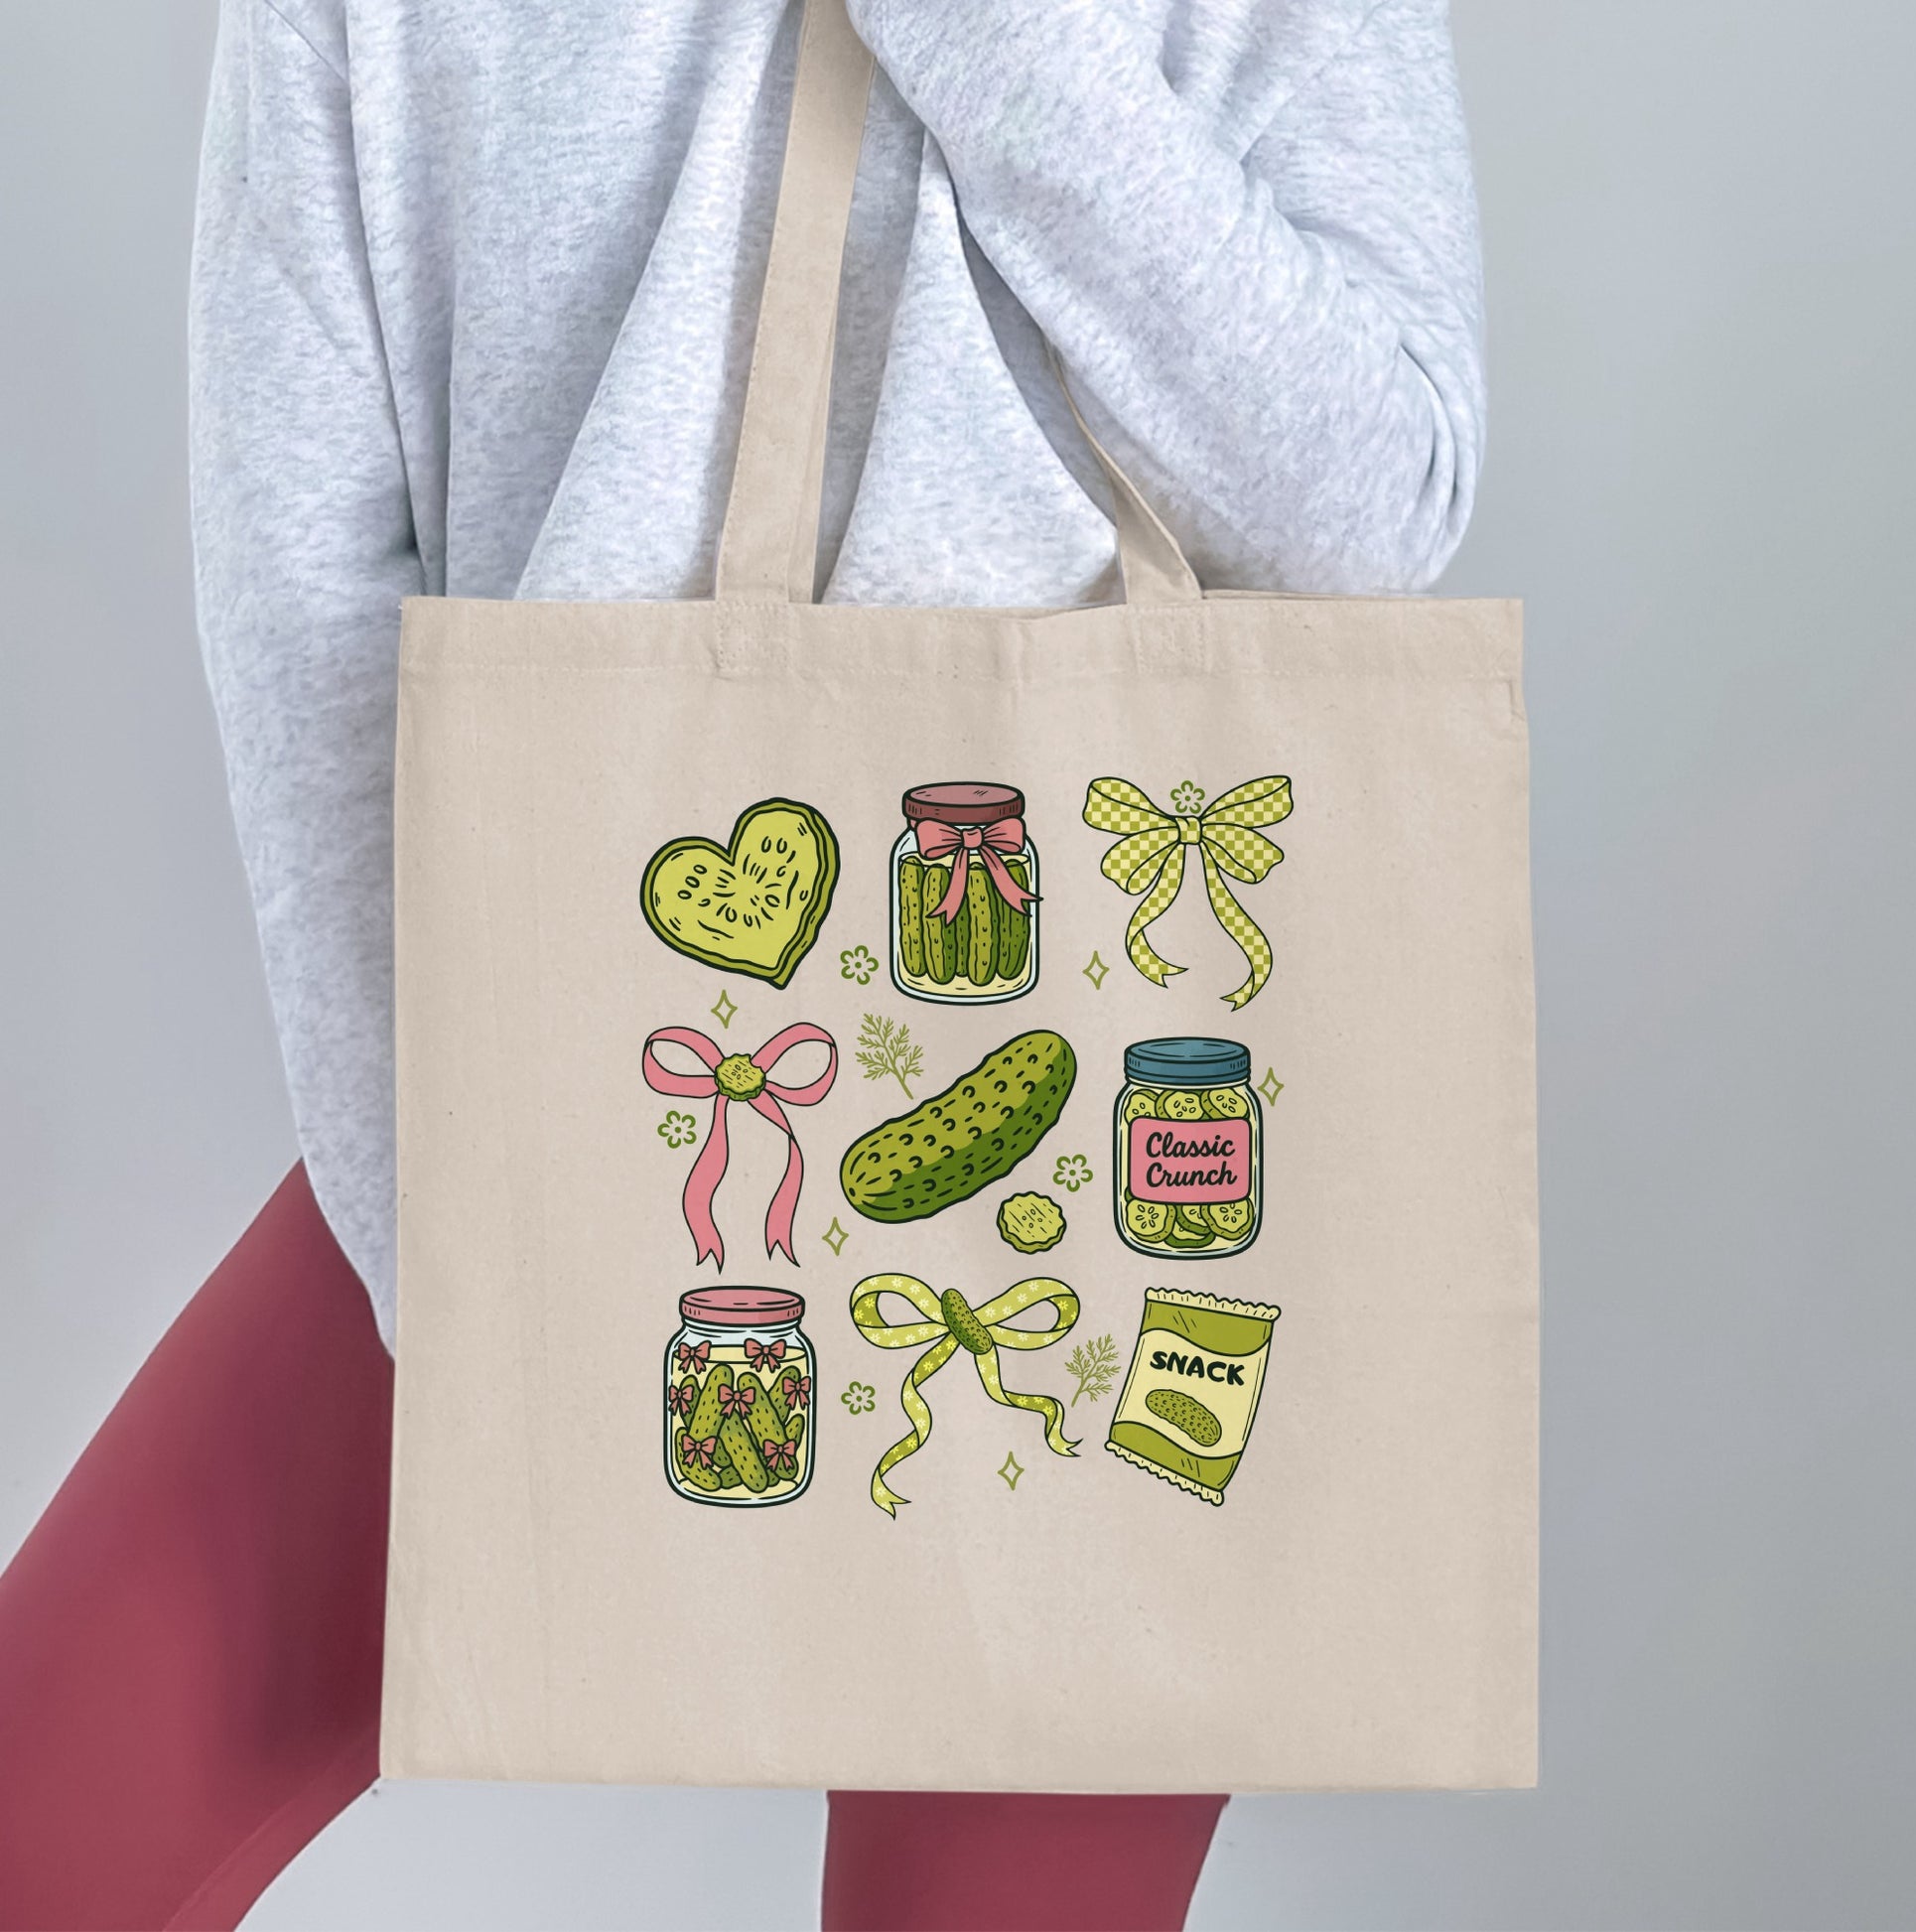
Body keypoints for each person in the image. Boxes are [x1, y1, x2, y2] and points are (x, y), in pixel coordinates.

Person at [0, 0, 1483, 1925]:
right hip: (566, 1088)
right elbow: (304, 606)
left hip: (1094, 1176)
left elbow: (1376, 500)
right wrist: (439, 1238)